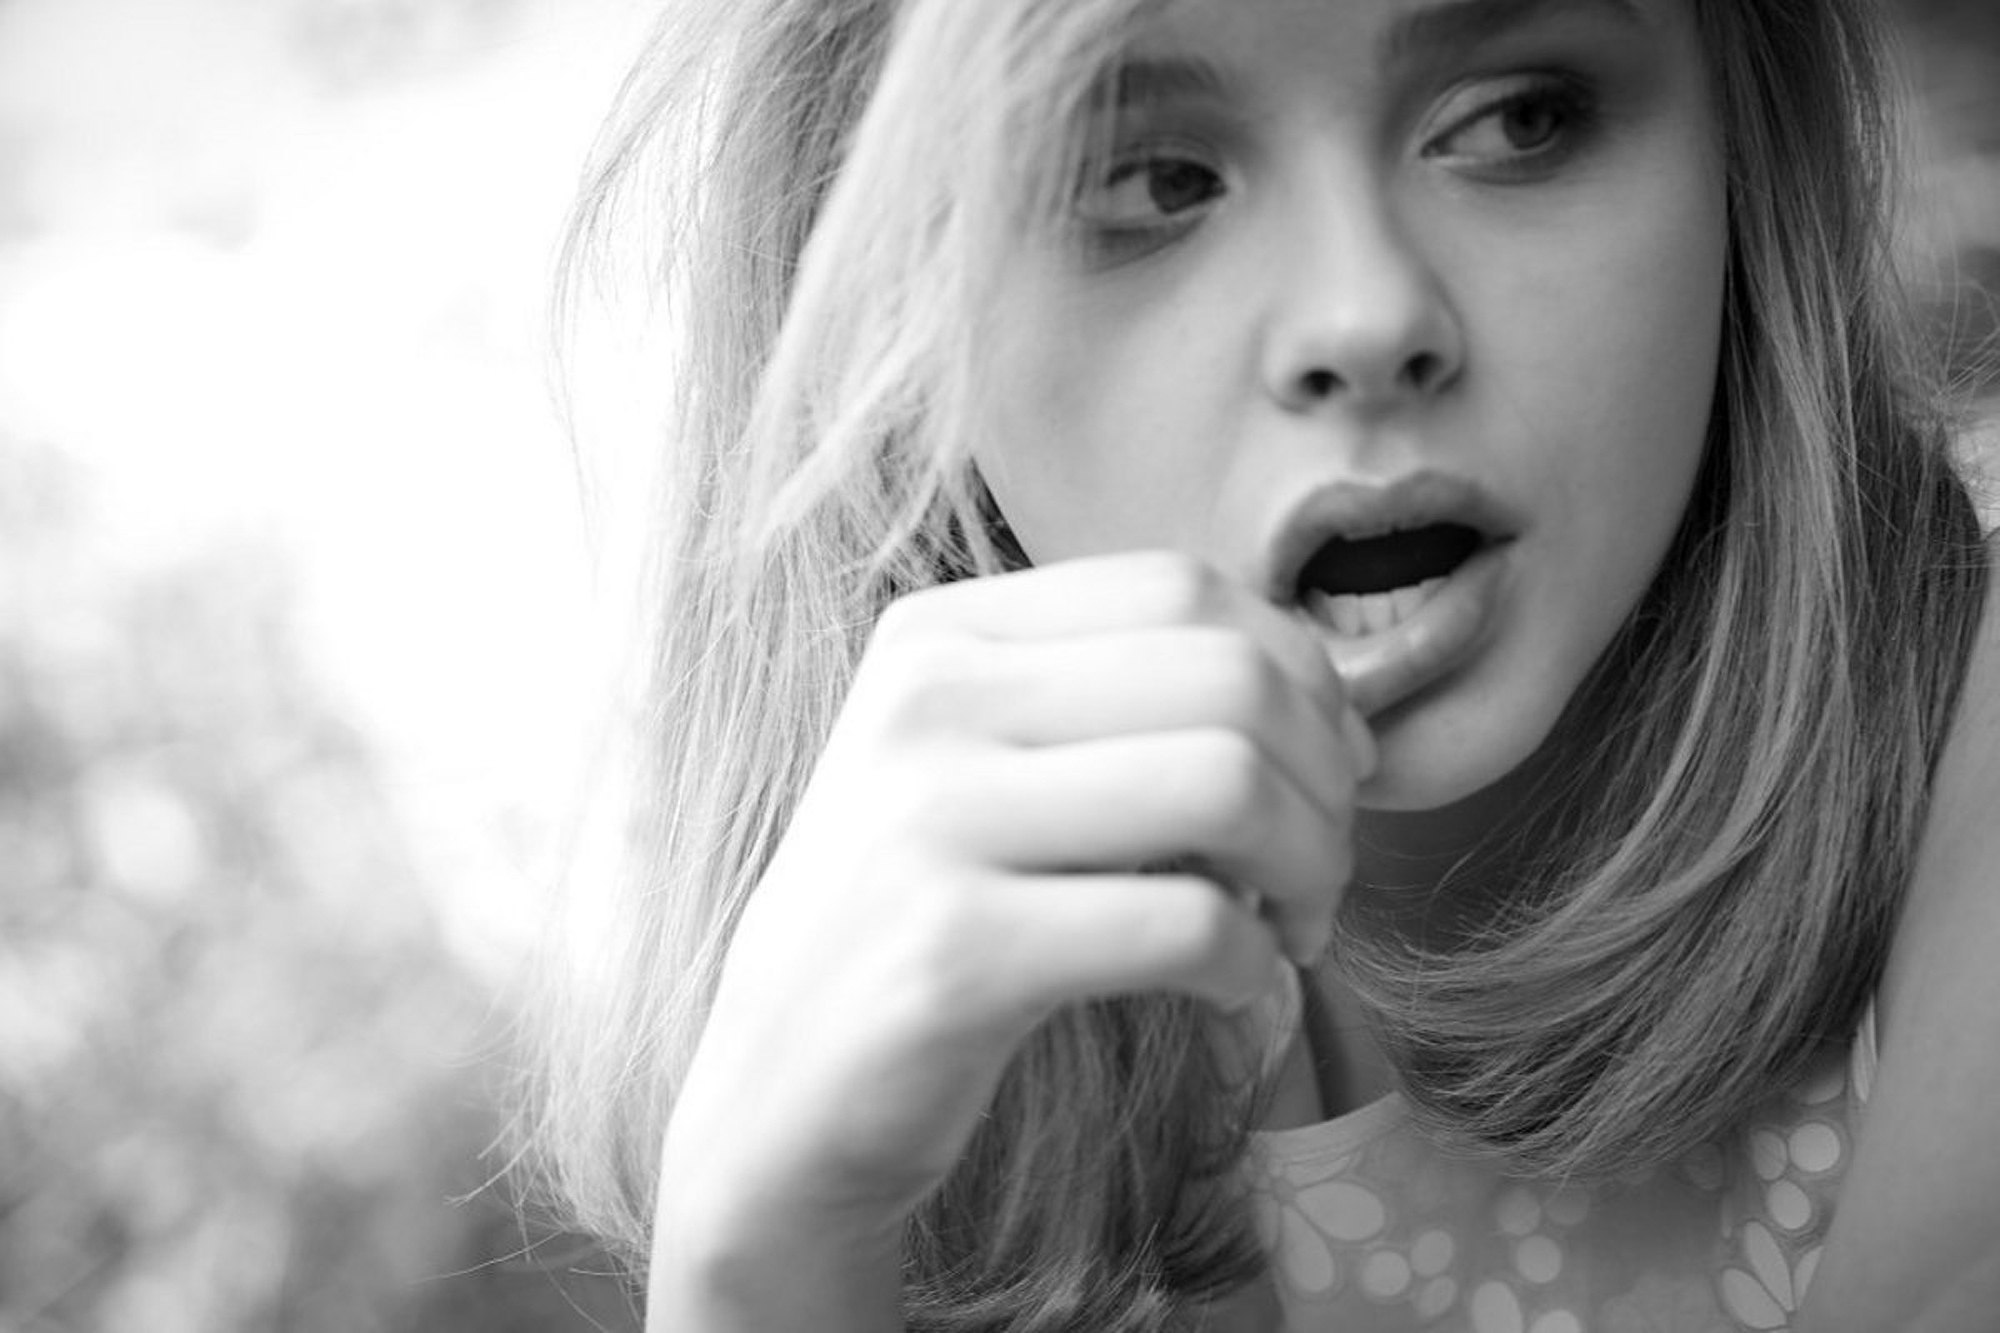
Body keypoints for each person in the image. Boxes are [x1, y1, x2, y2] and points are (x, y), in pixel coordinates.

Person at [520, 0, 2000, 1328]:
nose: (1367, 318)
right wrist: (762, 1262)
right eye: (1153, 181)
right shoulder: (924, 1101)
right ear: (879, 336)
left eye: (1517, 116)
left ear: (1746, 148)